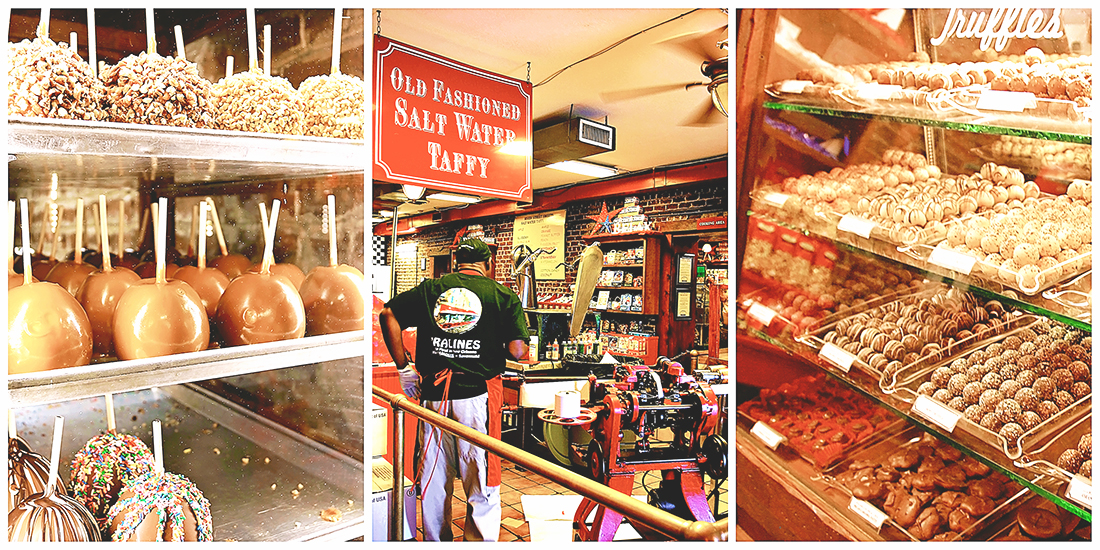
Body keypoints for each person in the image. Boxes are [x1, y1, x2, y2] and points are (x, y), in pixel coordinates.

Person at [379, 238, 530, 542]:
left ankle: (437, 541)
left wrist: (403, 368)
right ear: (487, 265)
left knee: (434, 477)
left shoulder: (431, 290)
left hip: (432, 396)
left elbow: (388, 315)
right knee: (481, 478)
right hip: (477, 400)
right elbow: (517, 351)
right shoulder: (501, 294)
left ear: (455, 263)